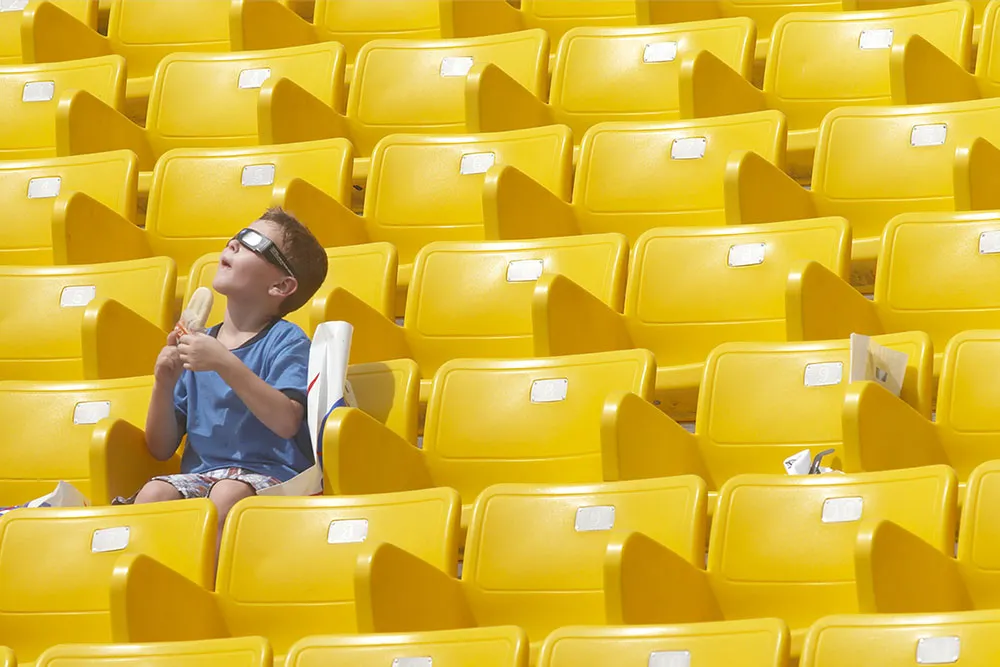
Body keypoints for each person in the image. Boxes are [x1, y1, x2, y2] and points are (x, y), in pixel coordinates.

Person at [128, 207, 328, 549]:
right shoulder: (198, 346)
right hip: (202, 475)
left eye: (253, 242)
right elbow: (161, 448)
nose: (234, 243)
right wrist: (163, 383)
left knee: (227, 494)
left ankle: (213, 595)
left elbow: (286, 420)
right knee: (153, 493)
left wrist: (224, 362)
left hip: (273, 476)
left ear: (282, 285)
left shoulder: (287, 341)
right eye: (237, 235)